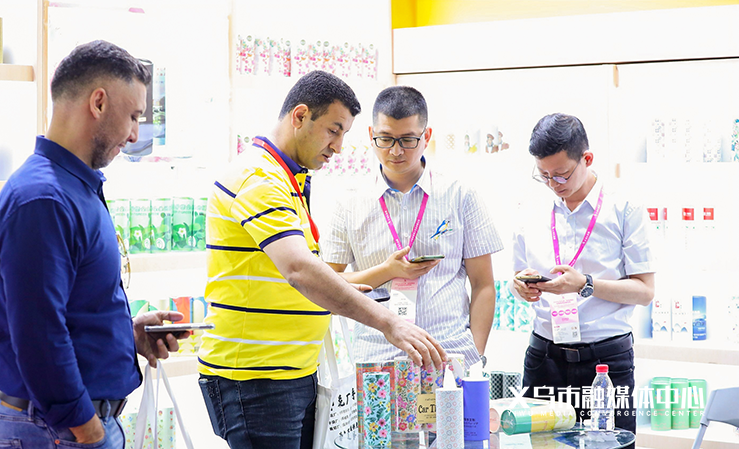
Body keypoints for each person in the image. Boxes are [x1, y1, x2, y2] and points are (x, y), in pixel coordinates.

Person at [197, 71, 447, 449]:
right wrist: (388, 322)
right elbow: (300, 270)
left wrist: (361, 283)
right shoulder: (259, 178)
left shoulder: (288, 179)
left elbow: (296, 275)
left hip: (291, 372)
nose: (338, 147)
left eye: (344, 134)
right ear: (300, 116)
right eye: (334, 130)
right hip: (255, 377)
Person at [0, 40, 186, 449]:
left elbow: (67, 310)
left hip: (63, 428)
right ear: (98, 102)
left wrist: (127, 335)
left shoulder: (70, 188)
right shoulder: (44, 199)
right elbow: (39, 335)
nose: (134, 134)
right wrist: (87, 429)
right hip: (55, 432)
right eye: (133, 116)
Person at [321, 86, 503, 371]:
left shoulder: (459, 195)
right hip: (377, 360)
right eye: (385, 139)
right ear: (371, 135)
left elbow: (483, 285)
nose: (396, 151)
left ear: (426, 136)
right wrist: (387, 271)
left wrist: (475, 357)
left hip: (449, 355)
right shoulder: (349, 202)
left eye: (407, 140)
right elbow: (328, 283)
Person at [512, 113, 655, 439]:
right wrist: (520, 285)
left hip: (605, 363)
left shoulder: (624, 208)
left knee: (610, 445)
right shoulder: (530, 208)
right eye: (544, 175)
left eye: (561, 174)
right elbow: (517, 275)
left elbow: (645, 291)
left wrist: (586, 285)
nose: (553, 184)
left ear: (587, 159)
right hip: (544, 358)